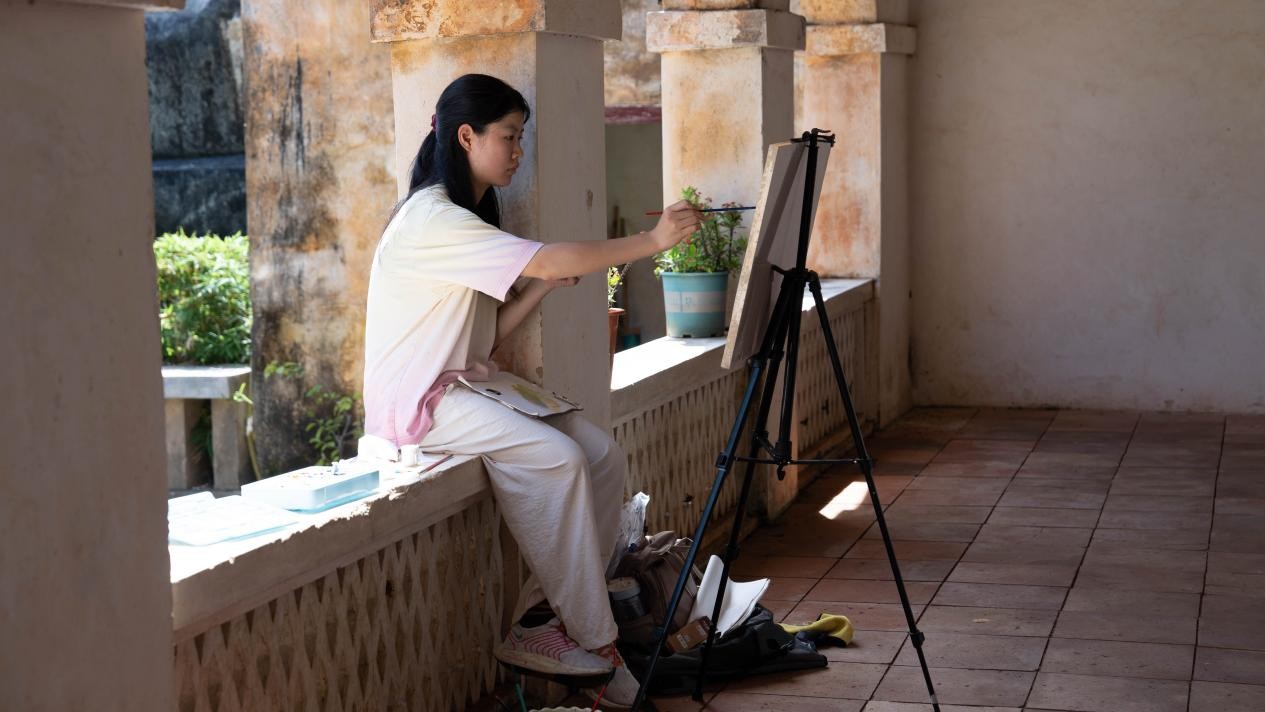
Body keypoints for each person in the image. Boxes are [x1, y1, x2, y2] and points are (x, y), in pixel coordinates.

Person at [359, 73, 700, 707]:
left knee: (602, 456)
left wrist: (539, 287)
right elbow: (546, 255)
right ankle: (596, 643)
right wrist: (650, 242)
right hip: (422, 405)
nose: (519, 152)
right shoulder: (432, 218)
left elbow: (485, 335)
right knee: (560, 459)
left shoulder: (461, 217)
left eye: (521, 137)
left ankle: (543, 617)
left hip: (468, 387)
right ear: (466, 137)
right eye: (509, 137)